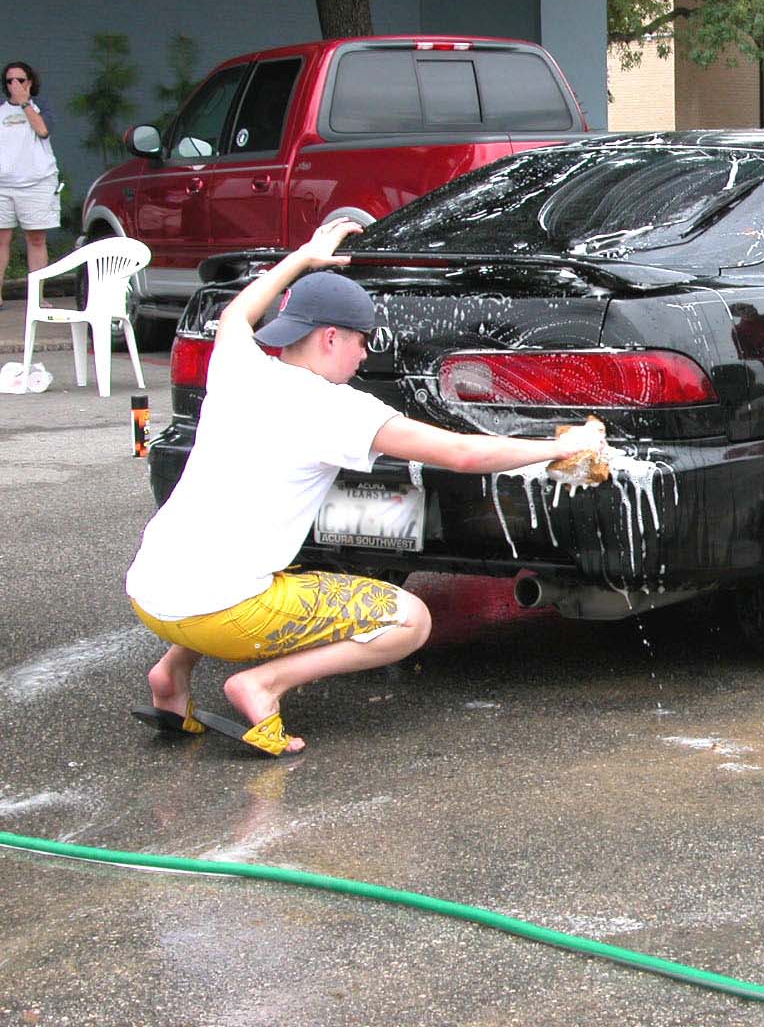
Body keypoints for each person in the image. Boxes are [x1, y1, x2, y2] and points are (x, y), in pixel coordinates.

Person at [124, 219, 604, 756]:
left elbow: (237, 312)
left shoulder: (237, 365)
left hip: (148, 591)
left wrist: (306, 257)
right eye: (361, 340)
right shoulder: (336, 409)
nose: (363, 355)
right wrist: (561, 446)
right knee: (410, 621)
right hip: (224, 614)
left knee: (250, 566)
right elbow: (462, 453)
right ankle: (262, 684)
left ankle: (171, 675)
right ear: (331, 336)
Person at [1, 61, 58, 303]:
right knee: (2, 238)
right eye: (9, 81)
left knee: (35, 238)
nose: (15, 85)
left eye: (20, 80)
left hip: (37, 183)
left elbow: (43, 131)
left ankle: (37, 297)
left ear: (30, 82)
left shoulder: (40, 107)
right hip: (3, 184)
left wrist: (24, 103)